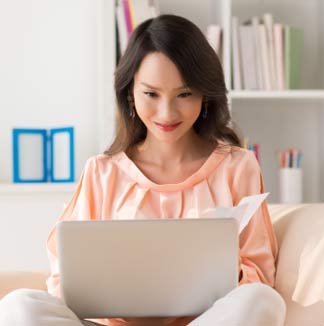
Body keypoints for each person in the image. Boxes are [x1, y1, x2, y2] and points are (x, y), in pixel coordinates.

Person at [0, 14, 286, 326]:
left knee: (262, 301)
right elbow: (62, 282)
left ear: (205, 94)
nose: (167, 112)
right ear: (130, 94)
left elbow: (260, 273)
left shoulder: (237, 166)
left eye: (184, 94)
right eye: (151, 94)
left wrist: (218, 272)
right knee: (18, 306)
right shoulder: (101, 172)